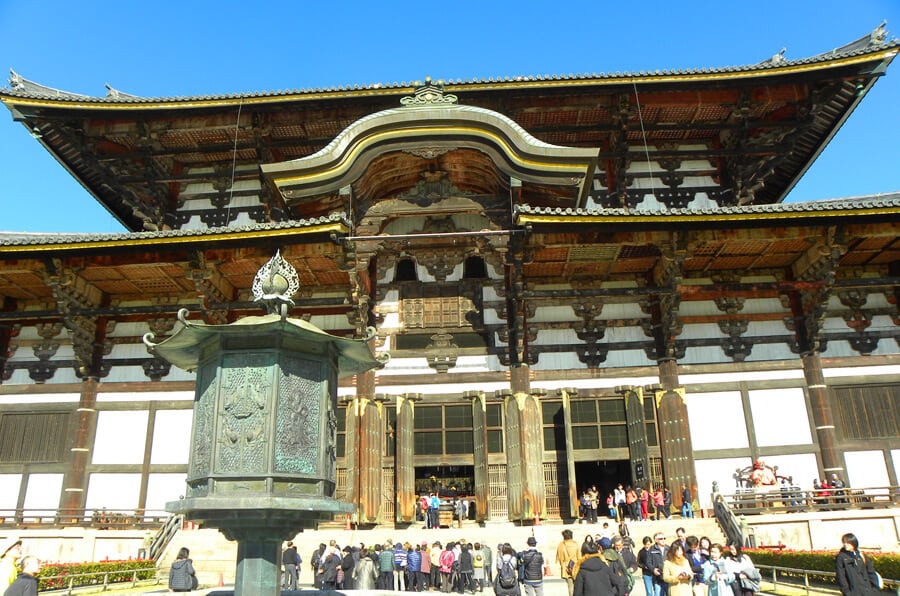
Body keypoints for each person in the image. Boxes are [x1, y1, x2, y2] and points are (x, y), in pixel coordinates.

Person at [556, 529, 580, 596]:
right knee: (578, 586)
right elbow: (579, 556)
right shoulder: (576, 544)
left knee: (570, 586)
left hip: (566, 567)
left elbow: (560, 558)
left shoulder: (561, 545)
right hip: (575, 566)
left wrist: (563, 565)